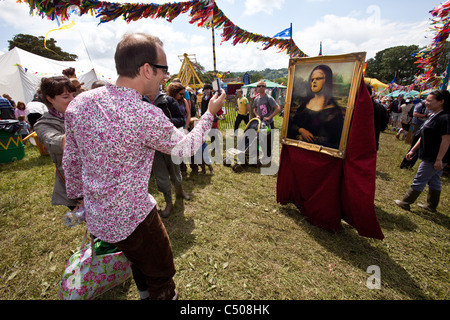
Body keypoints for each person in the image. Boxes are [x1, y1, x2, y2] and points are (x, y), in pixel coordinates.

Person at [62, 33, 226, 300]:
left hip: (97, 215)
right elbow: (185, 148)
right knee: (161, 273)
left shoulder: (80, 102)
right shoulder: (143, 114)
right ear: (147, 69)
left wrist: (78, 195)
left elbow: (71, 157)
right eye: (164, 70)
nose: (165, 77)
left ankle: (143, 293)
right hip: (134, 217)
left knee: (139, 262)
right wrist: (209, 113)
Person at [394, 89, 450, 213]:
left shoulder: (445, 118)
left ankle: (406, 202)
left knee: (420, 178)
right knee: (434, 180)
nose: (426, 102)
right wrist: (413, 150)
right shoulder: (433, 115)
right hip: (429, 154)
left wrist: (439, 159)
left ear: (441, 102)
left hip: (434, 156)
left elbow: (446, 140)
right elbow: (425, 135)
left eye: (430, 100)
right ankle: (431, 205)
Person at [33, 76, 79, 210]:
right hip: (74, 186)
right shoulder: (43, 124)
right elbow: (55, 142)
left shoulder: (81, 114)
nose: (72, 100)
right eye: (66, 97)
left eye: (73, 95)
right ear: (50, 99)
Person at [150, 89, 190, 217]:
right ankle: (168, 202)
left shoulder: (168, 100)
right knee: (160, 175)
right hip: (153, 147)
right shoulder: (141, 101)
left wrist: (163, 123)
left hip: (170, 144)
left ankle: (179, 191)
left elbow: (180, 119)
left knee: (175, 171)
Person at [288, 65, 343, 149]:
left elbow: (334, 139)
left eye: (318, 78)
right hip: (297, 149)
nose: (314, 82)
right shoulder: (304, 104)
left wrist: (309, 139)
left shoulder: (333, 111)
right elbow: (292, 124)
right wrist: (301, 130)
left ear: (327, 80)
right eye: (312, 79)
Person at [367, 84, 389, 151]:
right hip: (373, 140)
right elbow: (384, 123)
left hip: (368, 141)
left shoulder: (357, 106)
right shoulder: (380, 107)